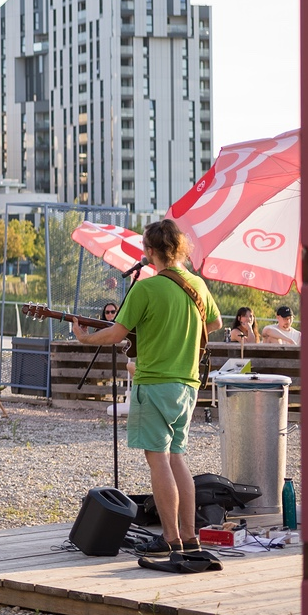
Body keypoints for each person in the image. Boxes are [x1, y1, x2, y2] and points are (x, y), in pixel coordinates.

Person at [69, 217, 222, 571]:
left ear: (150, 251)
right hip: (188, 384)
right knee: (178, 458)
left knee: (158, 459)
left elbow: (114, 333)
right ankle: (189, 535)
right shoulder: (196, 284)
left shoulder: (147, 287)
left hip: (153, 382)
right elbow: (213, 324)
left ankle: (170, 539)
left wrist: (84, 337)